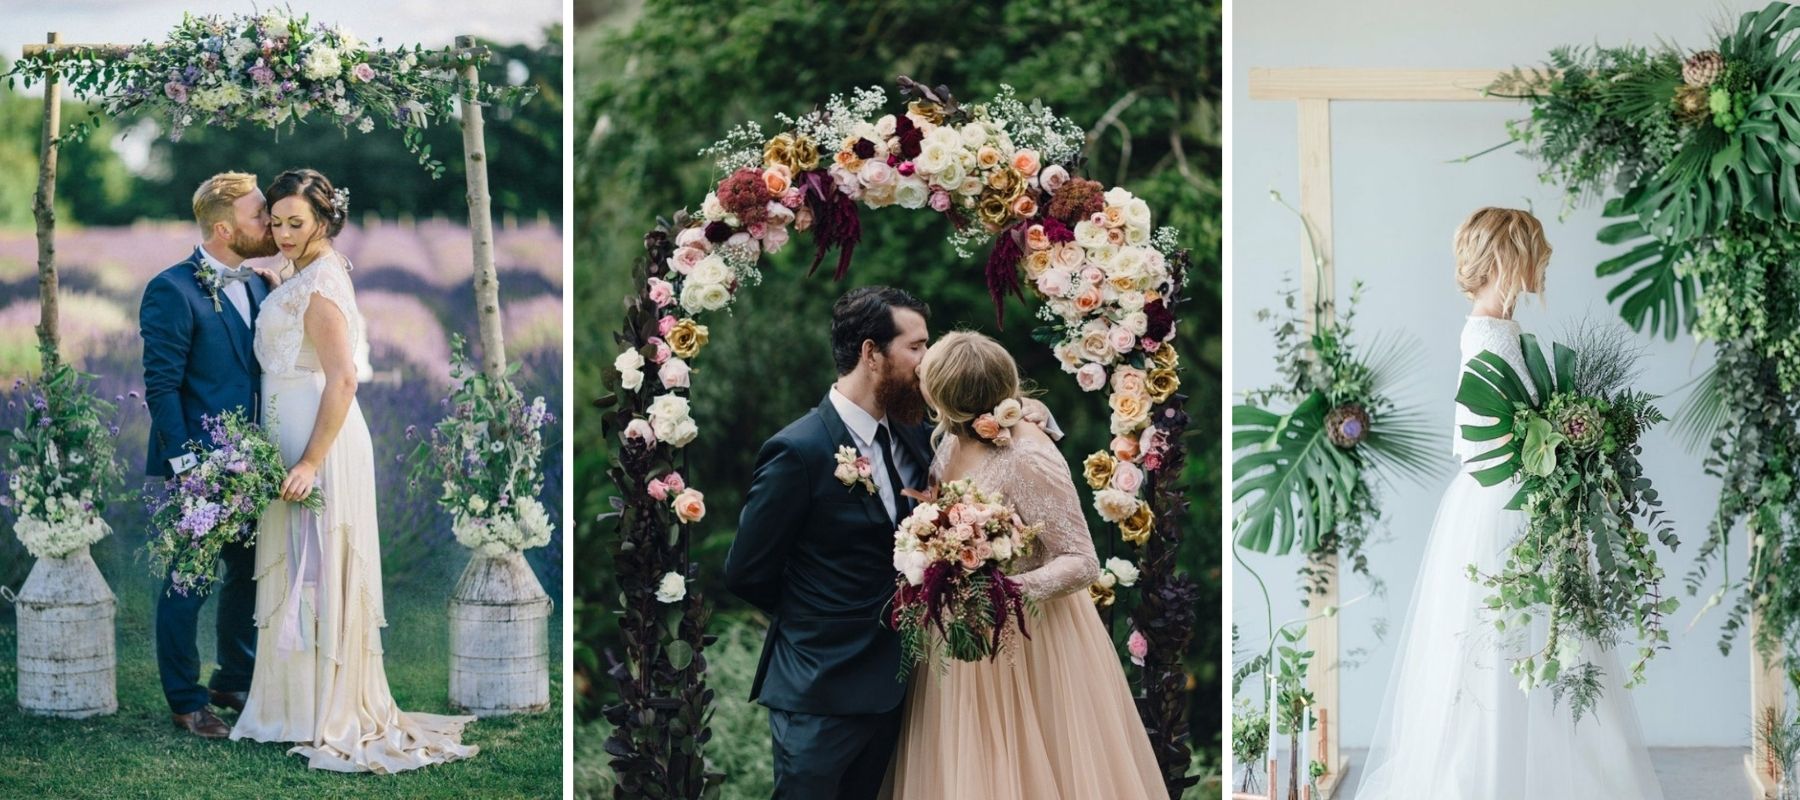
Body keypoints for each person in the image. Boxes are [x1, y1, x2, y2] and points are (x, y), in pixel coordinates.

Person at [1354, 207, 1663, 798]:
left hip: (1522, 498)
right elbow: (1480, 439)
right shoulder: (1486, 334)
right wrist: (1556, 456)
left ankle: (1540, 768)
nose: (1541, 267)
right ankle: (1496, 774)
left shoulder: (1507, 330)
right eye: (1534, 256)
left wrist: (1571, 448)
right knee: (1507, 639)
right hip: (1505, 506)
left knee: (1543, 636)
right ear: (1505, 259)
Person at [228, 168, 477, 774]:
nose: (284, 233)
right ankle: (293, 705)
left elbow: (343, 377)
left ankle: (329, 709)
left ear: (323, 221)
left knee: (320, 565)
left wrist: (312, 461)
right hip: (285, 430)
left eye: (297, 223)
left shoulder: (321, 285)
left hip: (322, 439)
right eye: (277, 221)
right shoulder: (302, 272)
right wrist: (274, 279)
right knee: (295, 566)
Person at [887, 330, 1167, 799]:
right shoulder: (952, 442)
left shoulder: (1027, 453)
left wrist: (1004, 591)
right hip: (962, 645)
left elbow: (1081, 560)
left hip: (1032, 644)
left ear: (944, 395)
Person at [724, 286, 933, 800]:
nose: (928, 362)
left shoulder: (914, 435)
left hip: (896, 689)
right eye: (916, 347)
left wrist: (1037, 420)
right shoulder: (798, 451)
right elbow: (746, 571)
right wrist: (823, 614)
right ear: (871, 353)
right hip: (818, 691)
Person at [140, 171, 280, 739]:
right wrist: (188, 469)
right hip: (200, 465)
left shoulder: (261, 284)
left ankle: (233, 679)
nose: (269, 223)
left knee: (249, 576)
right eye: (259, 216)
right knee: (188, 582)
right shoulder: (171, 290)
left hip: (255, 463)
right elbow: (162, 387)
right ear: (224, 229)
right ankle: (186, 699)